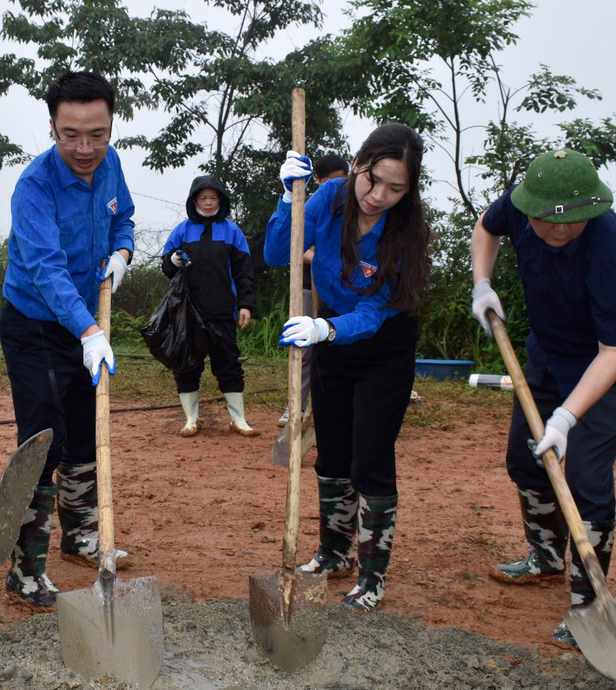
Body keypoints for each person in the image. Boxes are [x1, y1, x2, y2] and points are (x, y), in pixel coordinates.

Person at [470, 148, 616, 647]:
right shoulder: (519, 204)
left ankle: (590, 605)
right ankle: (547, 557)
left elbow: (615, 351)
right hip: (548, 352)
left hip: (606, 367)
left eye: (569, 221)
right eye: (544, 219)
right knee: (524, 460)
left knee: (585, 478)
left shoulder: (610, 246)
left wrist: (567, 418)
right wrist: (482, 284)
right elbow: (487, 229)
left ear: (590, 209)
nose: (556, 229)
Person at [263, 124, 431, 611]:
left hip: (383, 345)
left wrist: (326, 331)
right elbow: (279, 253)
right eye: (372, 179)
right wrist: (287, 200)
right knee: (332, 453)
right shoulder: (330, 198)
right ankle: (334, 554)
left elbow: (377, 313)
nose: (378, 196)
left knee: (369, 459)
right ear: (358, 164)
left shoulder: (408, 233)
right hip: (331, 332)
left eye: (396, 188)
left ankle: (372, 575)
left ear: (409, 189)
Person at [0, 70, 135, 610]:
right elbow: (47, 268)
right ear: (52, 128)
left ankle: (82, 536)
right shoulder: (33, 187)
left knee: (83, 429)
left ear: (110, 127)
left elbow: (122, 217)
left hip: (86, 324)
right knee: (43, 442)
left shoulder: (112, 165)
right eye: (70, 135)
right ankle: (25, 570)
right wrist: (87, 331)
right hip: (36, 326)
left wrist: (123, 254)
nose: (85, 148)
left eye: (96, 134)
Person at [161, 174, 257, 437]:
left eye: (213, 198)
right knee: (187, 364)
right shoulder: (182, 230)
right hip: (188, 313)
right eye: (203, 198)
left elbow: (244, 271)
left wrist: (246, 304)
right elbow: (166, 266)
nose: (208, 202)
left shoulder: (232, 231)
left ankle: (238, 419)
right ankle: (191, 420)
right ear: (194, 201)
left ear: (221, 200)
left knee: (228, 364)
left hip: (222, 311)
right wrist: (174, 261)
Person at [278, 155, 349, 428]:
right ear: (318, 181)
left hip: (342, 291)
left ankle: (334, 406)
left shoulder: (353, 207)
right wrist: (319, 257)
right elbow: (293, 247)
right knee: (304, 348)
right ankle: (296, 405)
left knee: (337, 343)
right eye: (330, 182)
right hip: (308, 287)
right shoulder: (309, 206)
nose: (336, 186)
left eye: (341, 180)